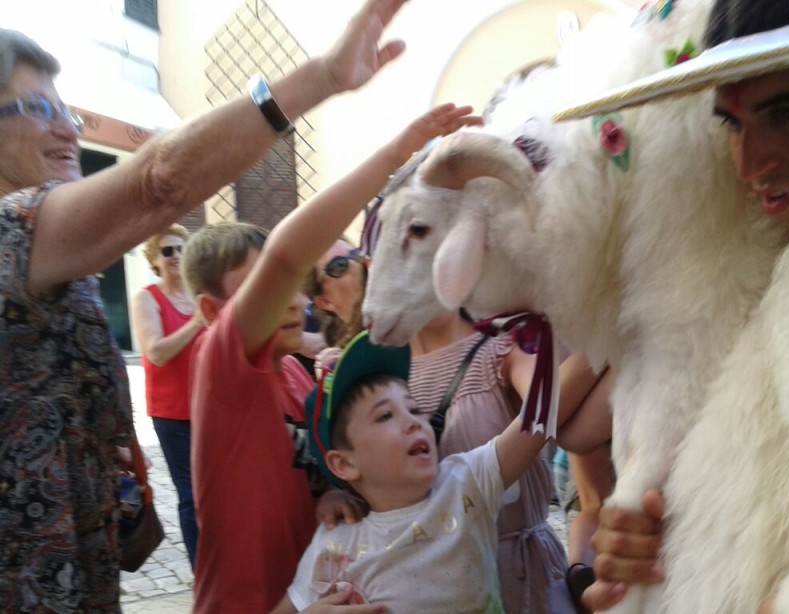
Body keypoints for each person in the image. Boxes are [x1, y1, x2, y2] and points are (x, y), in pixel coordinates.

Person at [0, 1, 412, 608]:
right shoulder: (11, 234)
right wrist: (320, 79)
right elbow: (157, 183)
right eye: (38, 109)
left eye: (65, 110)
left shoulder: (65, 269)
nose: (68, 129)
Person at [569, 0, 789, 610]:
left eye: (786, 111)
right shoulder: (743, 301)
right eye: (731, 124)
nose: (749, 165)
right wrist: (671, 548)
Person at [182, 102, 481, 613]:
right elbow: (285, 254)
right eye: (264, 289)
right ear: (213, 312)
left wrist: (329, 496)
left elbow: (307, 476)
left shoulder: (299, 380)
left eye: (292, 288)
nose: (293, 299)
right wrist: (394, 154)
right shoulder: (222, 371)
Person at [306, 246, 615, 612]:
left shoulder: (503, 345)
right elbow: (354, 471)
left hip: (523, 578)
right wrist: (335, 494)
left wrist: (612, 334)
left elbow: (556, 420)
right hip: (423, 587)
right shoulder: (372, 377)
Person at [274, 331, 585, 613]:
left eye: (414, 408)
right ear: (344, 464)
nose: (413, 422)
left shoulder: (465, 483)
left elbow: (540, 414)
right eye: (385, 416)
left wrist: (600, 349)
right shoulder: (335, 543)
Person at [129, 223, 204, 569]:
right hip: (173, 414)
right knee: (191, 497)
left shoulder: (203, 296)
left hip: (211, 409)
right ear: (154, 261)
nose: (176, 256)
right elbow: (156, 352)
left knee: (220, 492)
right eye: (167, 251)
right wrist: (197, 323)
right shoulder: (148, 298)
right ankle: (201, 572)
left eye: (181, 249)